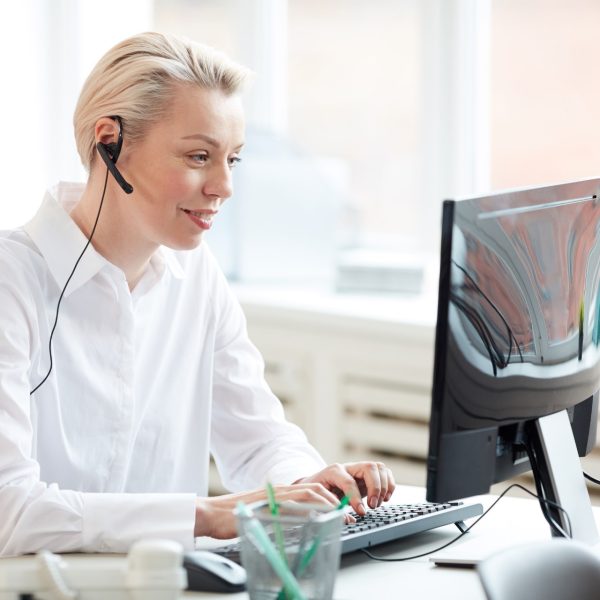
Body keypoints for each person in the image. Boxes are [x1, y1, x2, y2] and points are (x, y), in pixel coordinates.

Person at [0, 32, 395, 556]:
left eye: (232, 159)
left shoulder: (196, 276)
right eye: (198, 156)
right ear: (109, 141)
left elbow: (257, 438)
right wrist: (206, 516)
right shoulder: (13, 281)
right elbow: (9, 509)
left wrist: (314, 485)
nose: (223, 186)